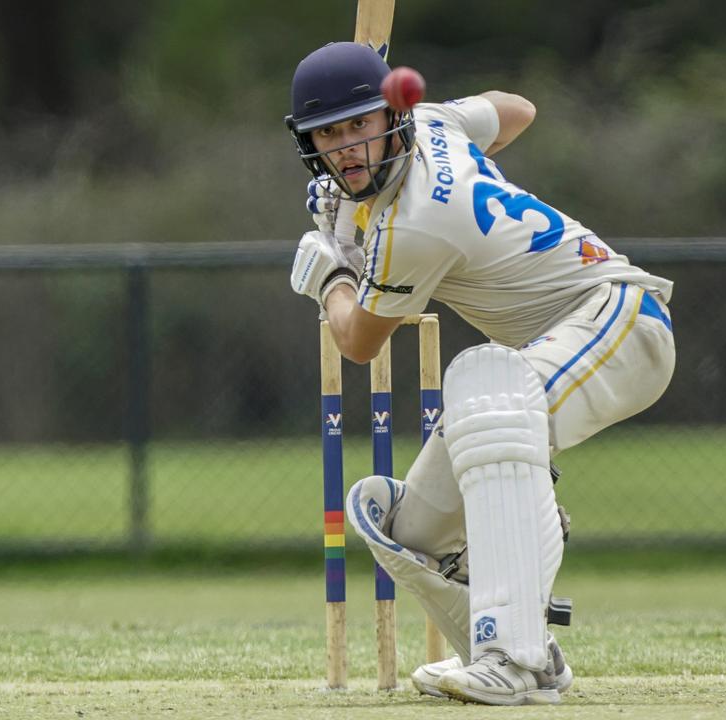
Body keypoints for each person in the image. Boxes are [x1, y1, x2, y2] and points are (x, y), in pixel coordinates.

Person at [284, 41, 676, 706]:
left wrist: (332, 274)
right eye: (330, 134)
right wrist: (374, 195)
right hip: (559, 345)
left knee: (489, 395)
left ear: (391, 118)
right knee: (409, 531)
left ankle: (511, 659)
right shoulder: (434, 124)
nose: (346, 147)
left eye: (360, 125)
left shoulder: (415, 227)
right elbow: (517, 110)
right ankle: (536, 657)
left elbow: (357, 342)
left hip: (620, 320)